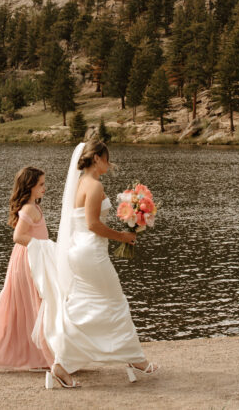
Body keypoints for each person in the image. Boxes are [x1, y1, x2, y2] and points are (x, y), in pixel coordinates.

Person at [28, 140, 159, 389]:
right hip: (91, 253)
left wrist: (132, 215)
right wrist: (124, 236)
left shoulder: (80, 183)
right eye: (107, 158)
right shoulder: (95, 185)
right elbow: (93, 225)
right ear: (97, 158)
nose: (109, 163)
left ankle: (62, 365)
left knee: (86, 305)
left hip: (81, 252)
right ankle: (135, 359)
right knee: (116, 302)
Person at [0, 166, 57, 374]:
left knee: (34, 306)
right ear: (29, 186)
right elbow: (18, 236)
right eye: (41, 185)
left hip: (33, 258)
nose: (44, 188)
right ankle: (37, 354)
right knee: (35, 304)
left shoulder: (34, 206)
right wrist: (45, 246)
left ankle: (36, 354)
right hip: (29, 261)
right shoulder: (29, 209)